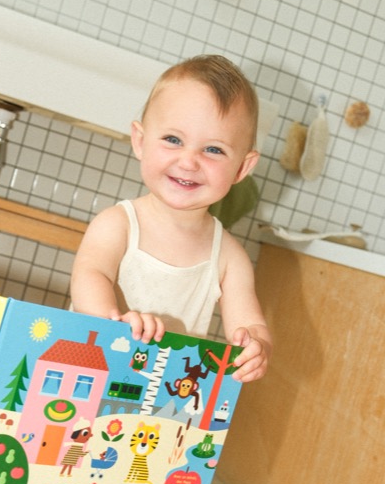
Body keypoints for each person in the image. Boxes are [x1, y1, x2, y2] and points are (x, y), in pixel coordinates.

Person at [70, 55, 271, 383]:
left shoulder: (229, 258)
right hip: (88, 367)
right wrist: (114, 326)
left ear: (242, 168)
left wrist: (257, 346)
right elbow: (89, 277)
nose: (189, 161)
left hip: (159, 390)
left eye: (214, 149)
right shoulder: (118, 224)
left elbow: (250, 324)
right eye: (173, 140)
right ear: (140, 141)